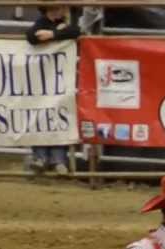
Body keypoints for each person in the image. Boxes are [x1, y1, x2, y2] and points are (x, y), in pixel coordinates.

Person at [25, 5, 98, 176]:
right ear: (52, 10)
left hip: (58, 78)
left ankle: (57, 159)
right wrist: (57, 33)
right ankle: (42, 157)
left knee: (59, 115)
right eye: (60, 8)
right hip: (44, 77)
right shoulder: (42, 23)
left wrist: (53, 35)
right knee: (43, 115)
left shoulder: (60, 24)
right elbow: (31, 36)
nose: (63, 10)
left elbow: (75, 32)